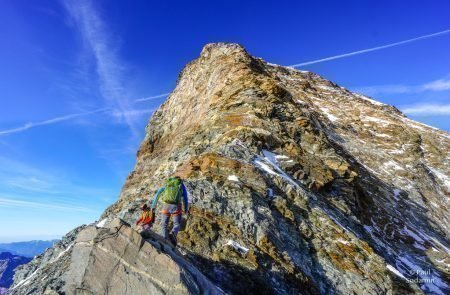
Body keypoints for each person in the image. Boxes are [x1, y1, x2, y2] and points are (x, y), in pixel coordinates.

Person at [151, 176, 189, 246]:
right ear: (179, 179)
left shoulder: (168, 183)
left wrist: (153, 205)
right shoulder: (181, 184)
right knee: (176, 224)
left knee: (164, 224)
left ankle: (164, 239)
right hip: (177, 206)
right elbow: (185, 197)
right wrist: (186, 209)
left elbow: (158, 193)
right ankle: (173, 233)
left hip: (166, 206)